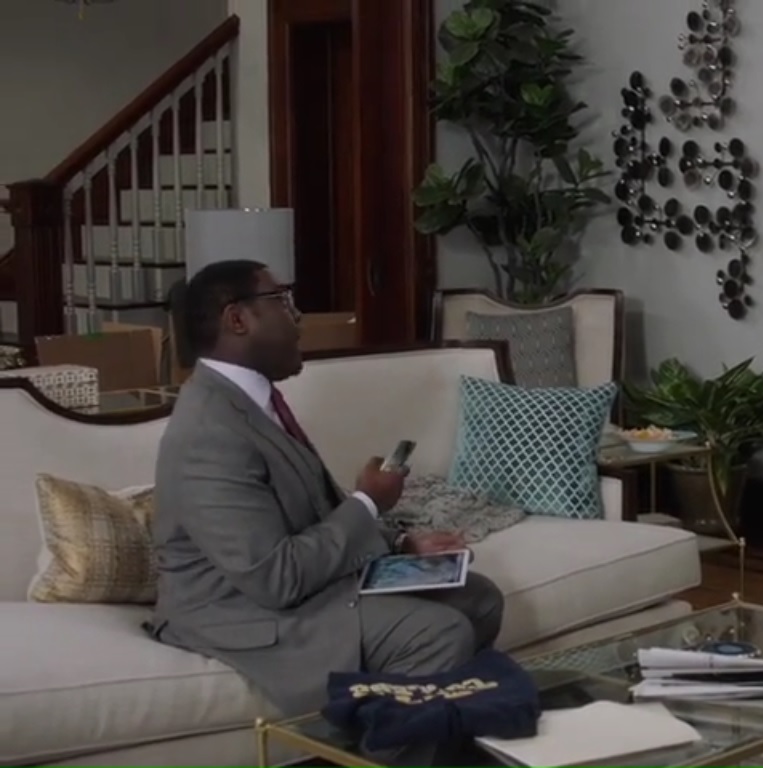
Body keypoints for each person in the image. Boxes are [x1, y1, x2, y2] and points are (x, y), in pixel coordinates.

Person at [147, 259, 504, 765]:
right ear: (237, 319)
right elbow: (274, 577)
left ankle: (421, 743)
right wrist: (367, 502)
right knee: (439, 634)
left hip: (298, 587)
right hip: (239, 611)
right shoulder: (208, 430)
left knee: (478, 598)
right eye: (282, 301)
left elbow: (311, 512)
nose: (298, 316)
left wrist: (400, 543)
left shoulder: (256, 402)